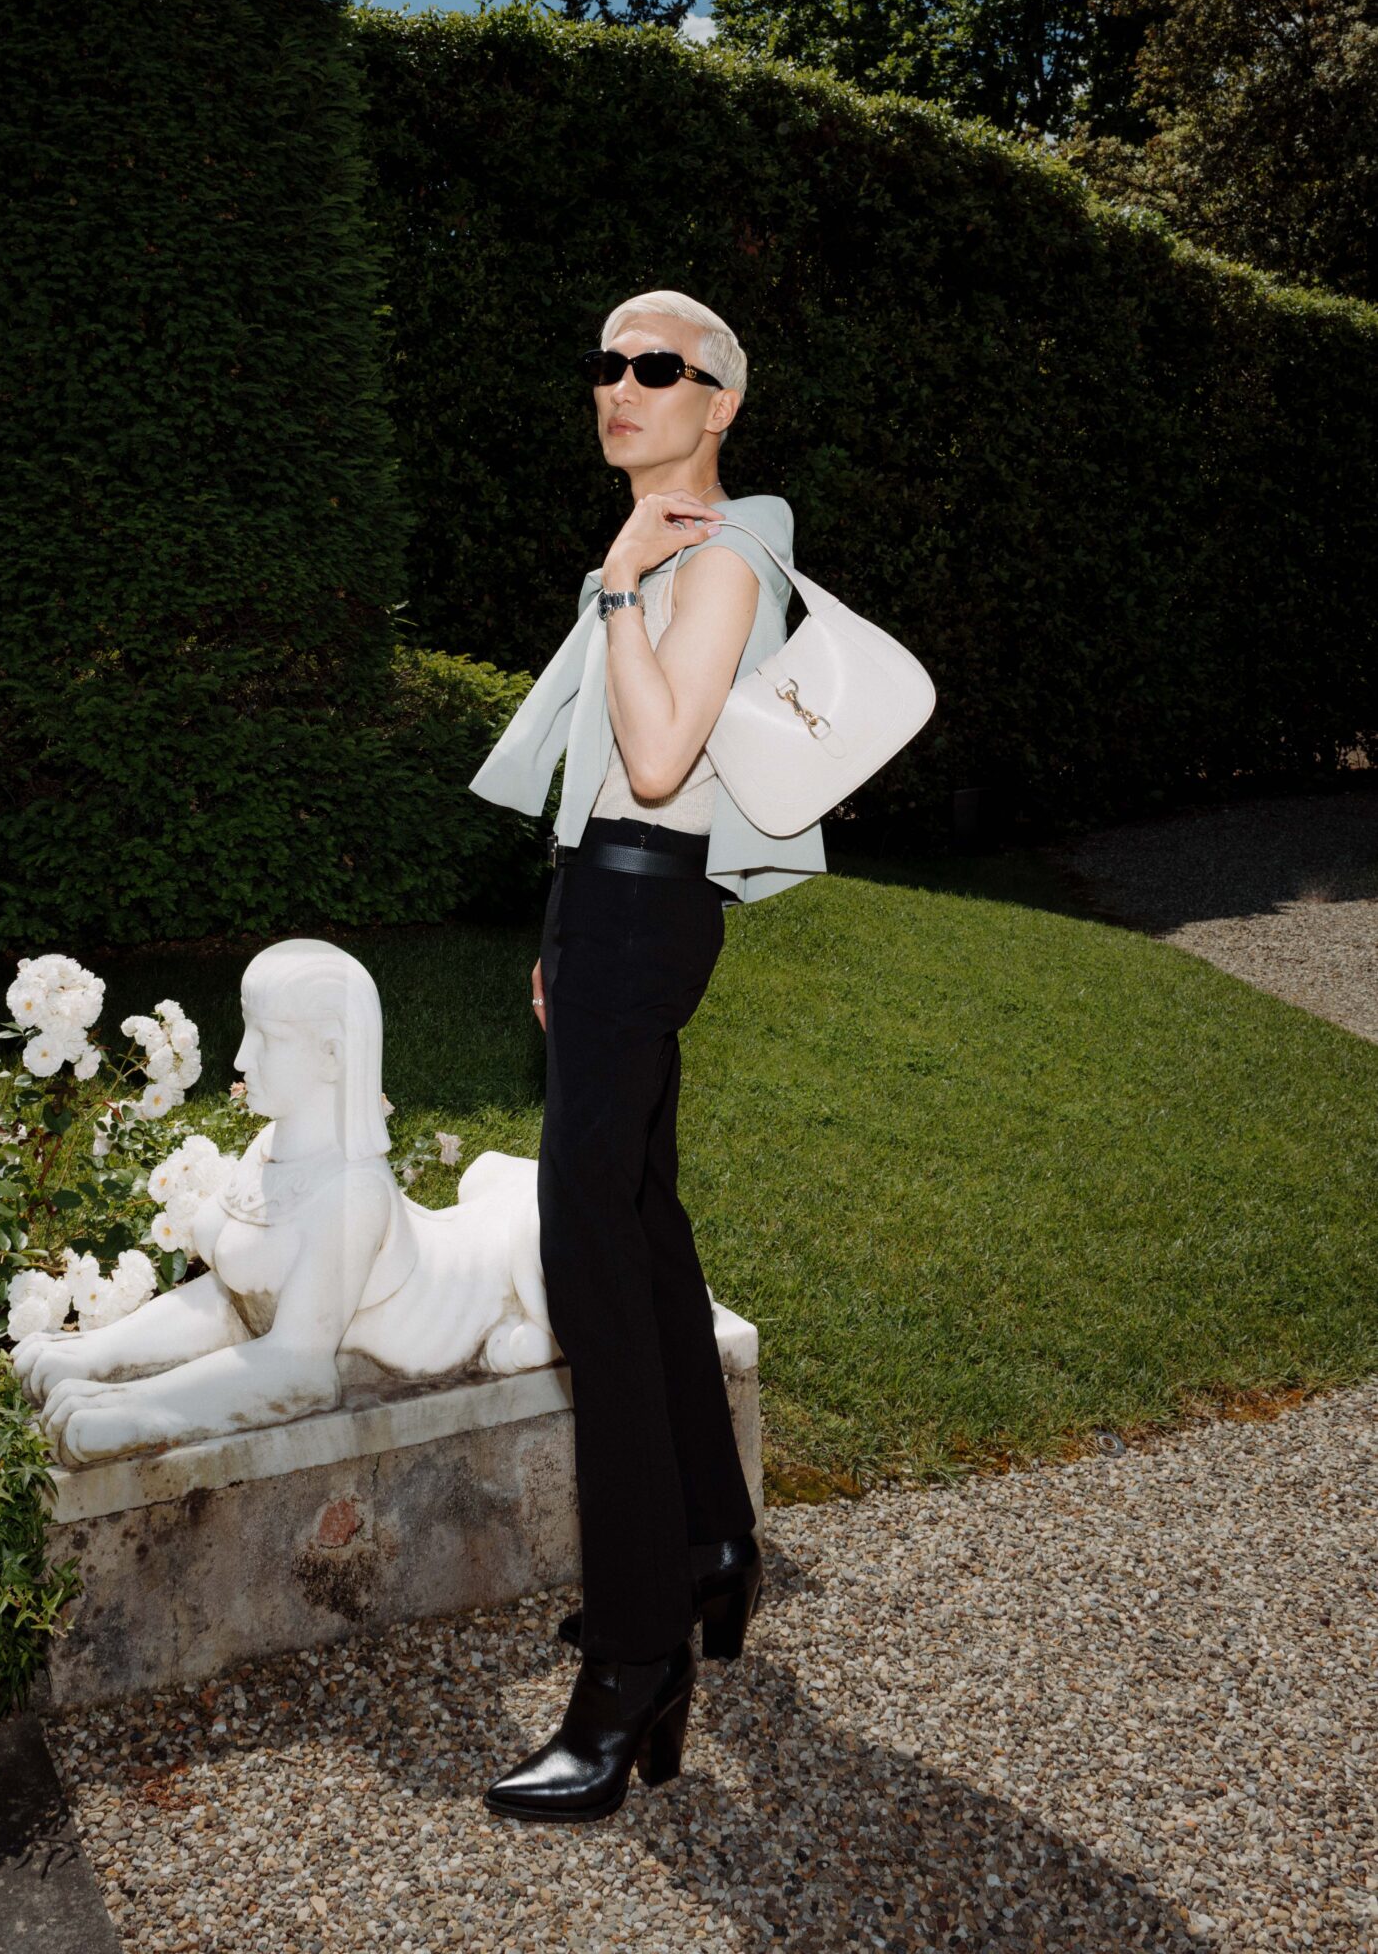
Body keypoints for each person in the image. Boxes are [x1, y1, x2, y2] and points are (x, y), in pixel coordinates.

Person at [467, 288, 828, 1824]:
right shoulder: (674, 541)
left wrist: (619, 588)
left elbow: (665, 755)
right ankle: (710, 1549)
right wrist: (564, 931)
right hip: (612, 906)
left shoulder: (714, 555)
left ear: (720, 400)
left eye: (658, 366)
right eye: (607, 362)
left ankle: (633, 1666)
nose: (621, 384)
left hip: (642, 903)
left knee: (589, 1268)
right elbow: (608, 775)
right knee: (642, 1225)